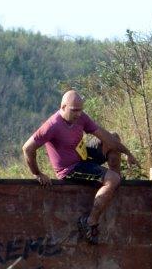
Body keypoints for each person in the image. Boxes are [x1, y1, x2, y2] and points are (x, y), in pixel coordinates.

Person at [22, 90, 135, 244]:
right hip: (70, 169)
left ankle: (114, 187)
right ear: (63, 107)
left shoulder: (81, 117)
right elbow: (27, 148)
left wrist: (127, 152)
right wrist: (37, 173)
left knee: (113, 138)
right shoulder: (52, 126)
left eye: (80, 110)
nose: (78, 114)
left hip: (83, 156)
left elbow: (105, 136)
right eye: (74, 110)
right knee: (112, 179)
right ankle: (90, 222)